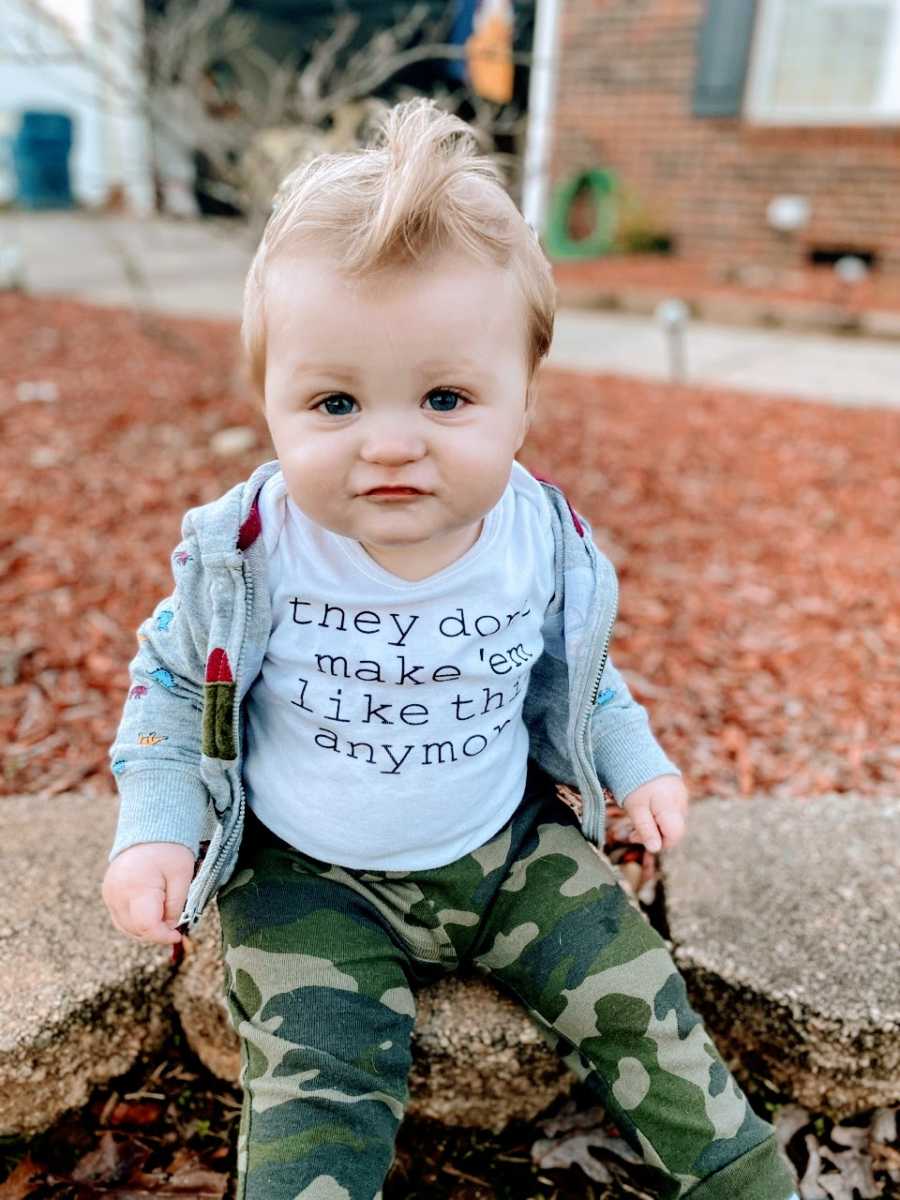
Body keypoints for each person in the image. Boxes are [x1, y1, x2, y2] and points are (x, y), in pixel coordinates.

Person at [101, 97, 799, 1200]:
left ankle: (746, 1180)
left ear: (524, 403)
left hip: (506, 848)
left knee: (643, 1005)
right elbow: (175, 681)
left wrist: (635, 758)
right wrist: (156, 828)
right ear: (270, 405)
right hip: (307, 873)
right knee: (315, 1088)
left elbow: (580, 668)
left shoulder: (539, 541)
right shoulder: (250, 550)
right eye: (334, 401)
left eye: (444, 397)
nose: (390, 443)